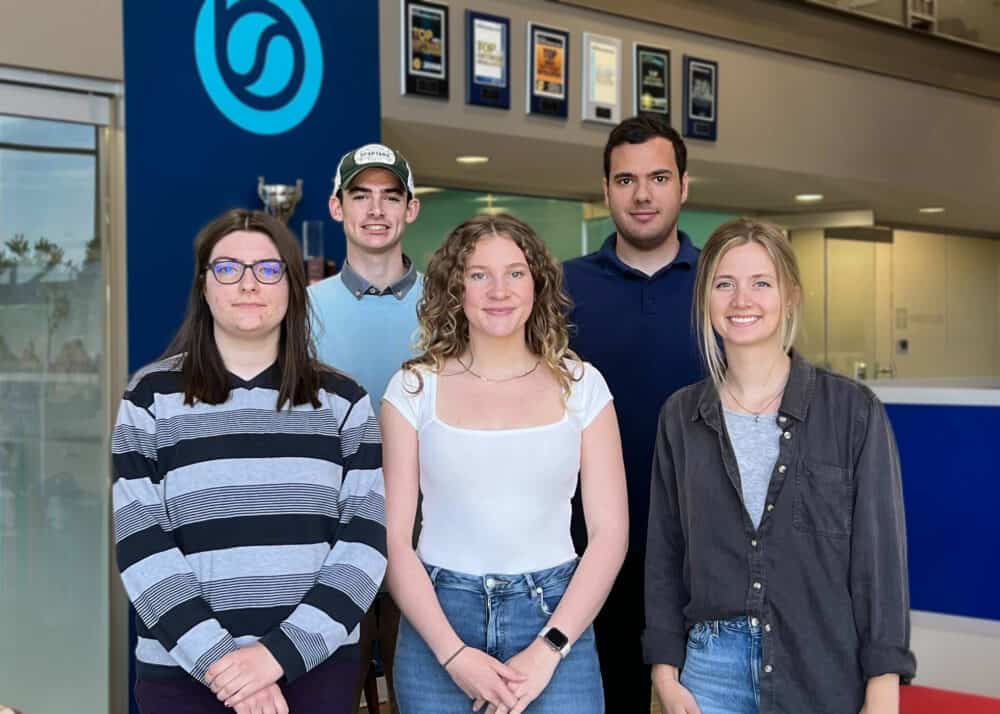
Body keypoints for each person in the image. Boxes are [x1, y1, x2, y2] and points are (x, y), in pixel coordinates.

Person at [112, 209, 386, 714]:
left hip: (316, 671)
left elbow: (364, 545)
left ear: (292, 284)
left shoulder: (345, 401)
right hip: (182, 675)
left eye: (268, 268)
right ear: (205, 285)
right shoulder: (150, 398)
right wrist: (224, 663)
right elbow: (141, 545)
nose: (247, 284)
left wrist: (275, 657)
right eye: (227, 268)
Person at [644, 218, 916, 714]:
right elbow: (665, 554)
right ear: (705, 298)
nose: (741, 300)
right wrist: (665, 672)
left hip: (821, 668)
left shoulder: (853, 412)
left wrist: (883, 688)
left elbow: (879, 562)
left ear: (790, 295)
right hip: (709, 675)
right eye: (724, 284)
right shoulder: (680, 417)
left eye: (760, 283)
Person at [382, 214, 628, 713]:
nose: (499, 290)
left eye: (515, 273)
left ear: (536, 285)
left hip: (557, 615)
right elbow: (393, 542)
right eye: (479, 274)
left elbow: (609, 536)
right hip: (439, 620)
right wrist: (454, 657)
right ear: (456, 289)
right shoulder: (413, 389)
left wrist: (548, 650)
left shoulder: (583, 386)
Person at [562, 115, 702, 710]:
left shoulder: (721, 286)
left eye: (658, 177)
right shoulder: (561, 288)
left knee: (705, 698)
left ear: (684, 186)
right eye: (626, 180)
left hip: (704, 545)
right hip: (589, 547)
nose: (642, 195)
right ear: (605, 191)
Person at [309, 142, 422, 714]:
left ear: (411, 209)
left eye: (389, 195)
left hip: (428, 539)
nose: (376, 210)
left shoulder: (452, 306)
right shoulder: (299, 309)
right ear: (337, 207)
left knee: (423, 697)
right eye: (361, 196)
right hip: (325, 540)